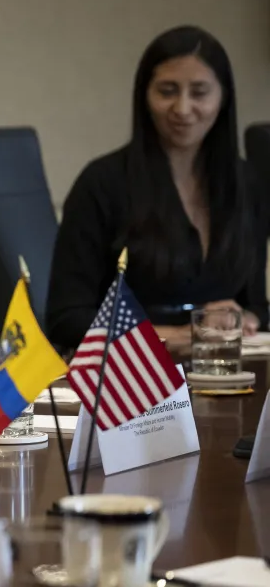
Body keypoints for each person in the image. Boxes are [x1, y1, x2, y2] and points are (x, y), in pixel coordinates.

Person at [47, 25, 267, 352]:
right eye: (167, 91)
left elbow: (255, 304)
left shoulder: (246, 183)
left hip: (225, 372)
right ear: (144, 96)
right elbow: (67, 318)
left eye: (200, 92)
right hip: (129, 378)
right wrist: (181, 334)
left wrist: (244, 318)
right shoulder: (102, 183)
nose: (182, 108)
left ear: (223, 98)